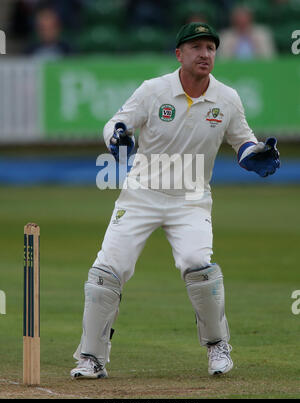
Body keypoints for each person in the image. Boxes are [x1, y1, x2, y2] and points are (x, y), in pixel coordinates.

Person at [70, 22, 280, 379]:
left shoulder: (226, 98)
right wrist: (118, 136)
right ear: (179, 54)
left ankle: (218, 347)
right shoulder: (154, 91)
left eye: (211, 48)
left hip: (191, 199)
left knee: (199, 264)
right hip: (141, 194)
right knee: (107, 272)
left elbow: (243, 141)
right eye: (196, 47)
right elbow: (117, 122)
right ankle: (91, 358)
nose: (205, 54)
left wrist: (255, 154)